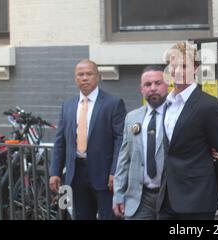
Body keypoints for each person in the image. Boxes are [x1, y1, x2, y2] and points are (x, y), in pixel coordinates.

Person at [157, 42, 218, 220]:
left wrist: (214, 189)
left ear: (196, 69)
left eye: (184, 66)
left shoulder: (209, 106)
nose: (177, 71)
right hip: (167, 200)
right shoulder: (166, 103)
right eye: (173, 65)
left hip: (197, 200)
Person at [49, 59, 126, 220]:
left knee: (109, 217)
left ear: (97, 76)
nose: (85, 78)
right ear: (75, 78)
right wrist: (55, 172)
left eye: (89, 74)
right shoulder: (68, 105)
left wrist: (115, 171)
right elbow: (60, 141)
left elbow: (121, 140)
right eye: (80, 74)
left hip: (105, 176)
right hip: (76, 174)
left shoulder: (113, 103)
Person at [113, 65, 168, 220]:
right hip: (140, 198)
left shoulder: (177, 116)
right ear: (141, 90)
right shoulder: (132, 118)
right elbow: (124, 159)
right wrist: (118, 193)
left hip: (170, 198)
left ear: (168, 84)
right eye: (147, 85)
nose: (153, 88)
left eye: (158, 83)